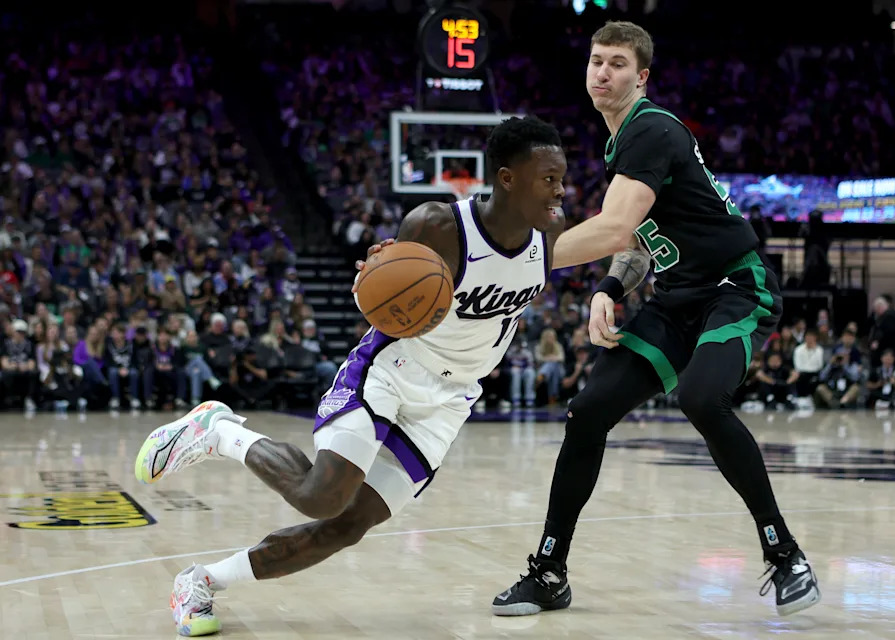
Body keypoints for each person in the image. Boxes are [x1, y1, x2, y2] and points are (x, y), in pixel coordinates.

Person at [133, 116, 567, 637]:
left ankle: (201, 581)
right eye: (549, 178)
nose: (560, 189)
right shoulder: (435, 225)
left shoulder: (550, 231)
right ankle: (218, 431)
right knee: (322, 494)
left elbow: (603, 235)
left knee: (345, 526)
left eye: (561, 178)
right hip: (393, 368)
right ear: (507, 177)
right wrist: (374, 280)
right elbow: (385, 301)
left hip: (451, 401)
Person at [492, 21, 820, 618]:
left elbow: (615, 226)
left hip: (735, 288)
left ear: (641, 77)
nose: (602, 72)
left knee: (701, 397)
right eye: (595, 61)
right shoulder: (625, 143)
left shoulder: (650, 127)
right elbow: (639, 240)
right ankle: (548, 572)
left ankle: (786, 554)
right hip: (677, 299)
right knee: (588, 411)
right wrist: (611, 287)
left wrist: (517, 260)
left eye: (617, 63)